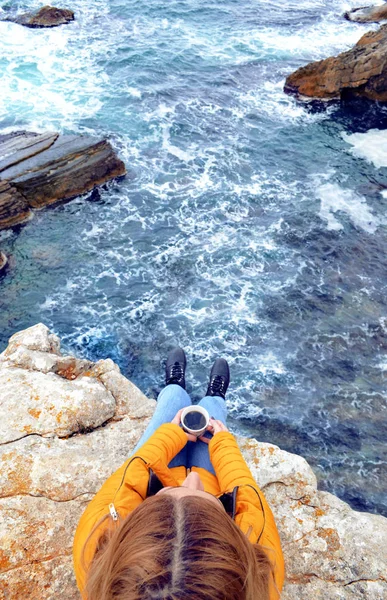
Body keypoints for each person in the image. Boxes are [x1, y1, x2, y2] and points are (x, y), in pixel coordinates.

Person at [73, 349, 285, 600]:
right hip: (214, 482)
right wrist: (224, 443)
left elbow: (129, 479)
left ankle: (175, 385)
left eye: (163, 496)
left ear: (130, 530)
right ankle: (214, 396)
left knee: (174, 400)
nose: (191, 480)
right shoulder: (261, 575)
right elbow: (248, 500)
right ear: (236, 545)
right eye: (218, 509)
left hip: (154, 474)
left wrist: (170, 435)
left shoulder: (96, 550)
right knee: (209, 410)